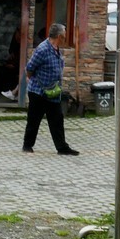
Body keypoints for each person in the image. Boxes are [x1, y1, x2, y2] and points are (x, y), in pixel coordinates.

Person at [22, 23, 80, 156]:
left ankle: (62, 148)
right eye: (64, 35)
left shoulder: (56, 48)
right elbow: (30, 68)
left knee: (57, 119)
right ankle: (27, 145)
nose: (65, 37)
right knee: (34, 119)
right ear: (59, 36)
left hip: (53, 91)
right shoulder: (42, 49)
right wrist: (32, 80)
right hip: (38, 92)